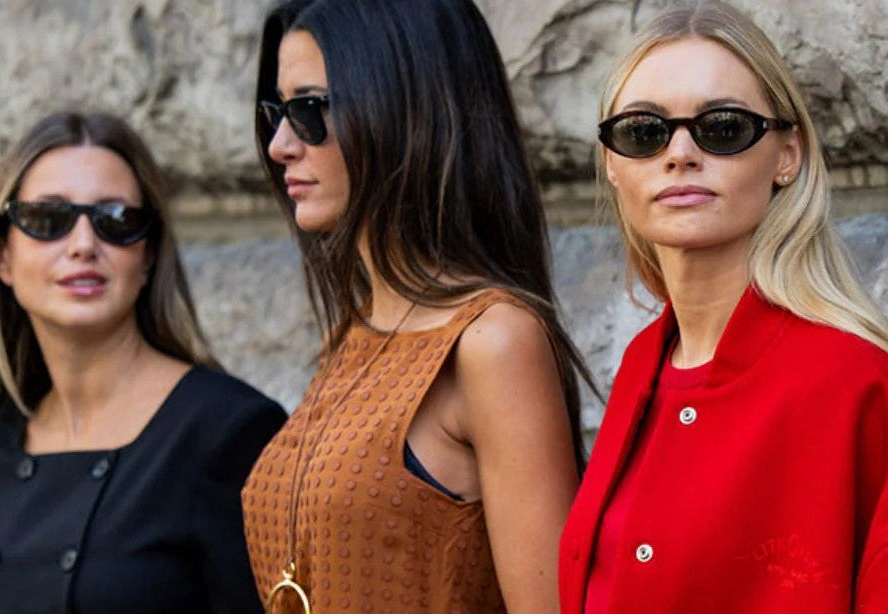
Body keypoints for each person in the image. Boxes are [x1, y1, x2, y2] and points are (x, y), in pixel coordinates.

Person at [240, 1, 595, 612]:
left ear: (405, 110)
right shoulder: (353, 332)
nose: (279, 145)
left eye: (309, 110)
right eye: (277, 112)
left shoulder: (492, 341)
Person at [558, 2, 888, 612]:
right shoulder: (642, 364)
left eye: (723, 126)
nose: (679, 153)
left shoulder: (856, 382)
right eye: (643, 131)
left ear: (787, 156)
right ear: (611, 163)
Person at [0, 111, 287, 614]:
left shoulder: (228, 432)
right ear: (2, 257)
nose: (83, 245)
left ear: (148, 255)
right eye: (48, 219)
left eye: (115, 220)